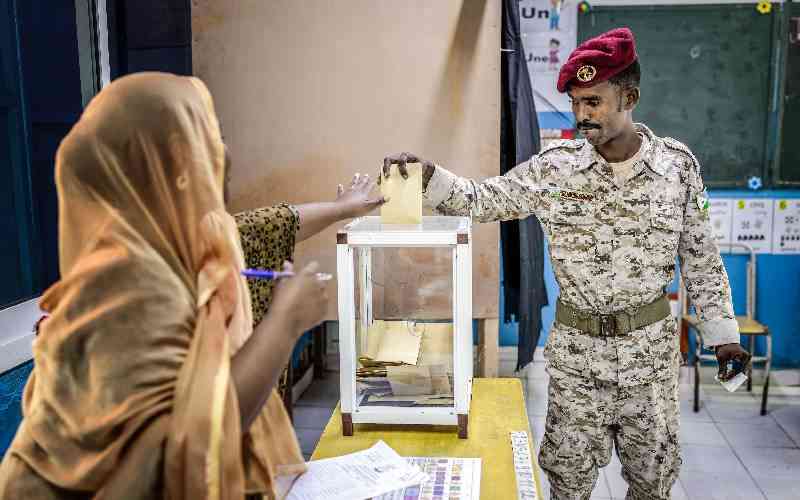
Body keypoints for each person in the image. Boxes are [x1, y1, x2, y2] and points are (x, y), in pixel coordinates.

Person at [382, 28, 751, 500]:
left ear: (629, 97)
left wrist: (723, 339)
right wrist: (429, 177)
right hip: (578, 363)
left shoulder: (678, 168)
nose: (582, 116)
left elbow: (701, 257)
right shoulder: (555, 169)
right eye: (576, 103)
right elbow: (485, 199)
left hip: (650, 366)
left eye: (593, 102)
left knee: (652, 482)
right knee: (568, 482)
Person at [0, 72, 345, 499]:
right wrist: (286, 321)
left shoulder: (179, 250)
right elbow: (193, 442)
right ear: (178, 163)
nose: (225, 151)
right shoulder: (130, 282)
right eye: (211, 133)